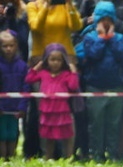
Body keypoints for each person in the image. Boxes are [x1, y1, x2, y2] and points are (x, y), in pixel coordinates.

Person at [80, 1, 123, 162]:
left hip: (116, 87)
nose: (106, 23)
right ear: (97, 20)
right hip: (95, 87)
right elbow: (94, 54)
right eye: (102, 20)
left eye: (109, 20)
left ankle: (113, 154)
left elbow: (122, 55)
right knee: (96, 124)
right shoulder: (89, 37)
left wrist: (112, 38)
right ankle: (97, 155)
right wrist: (102, 38)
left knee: (114, 124)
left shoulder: (120, 38)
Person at [25, 43, 79, 160]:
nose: (55, 62)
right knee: (49, 137)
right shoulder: (43, 74)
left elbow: (73, 86)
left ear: (63, 61)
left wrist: (73, 72)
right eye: (52, 59)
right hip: (47, 110)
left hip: (62, 110)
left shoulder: (65, 75)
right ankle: (48, 157)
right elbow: (29, 79)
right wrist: (37, 67)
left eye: (58, 60)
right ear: (46, 60)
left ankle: (68, 157)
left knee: (66, 135)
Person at [0, 30, 28, 160]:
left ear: (16, 46)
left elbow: (25, 87)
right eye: (5, 46)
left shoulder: (22, 66)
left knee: (13, 134)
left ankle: (11, 158)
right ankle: (3, 158)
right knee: (2, 135)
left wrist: (22, 107)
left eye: (11, 46)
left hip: (16, 108)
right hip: (2, 108)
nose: (8, 49)